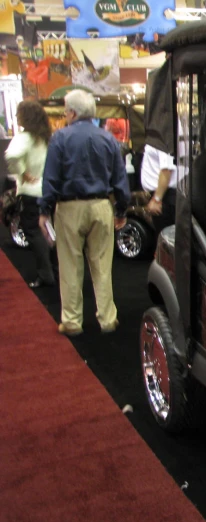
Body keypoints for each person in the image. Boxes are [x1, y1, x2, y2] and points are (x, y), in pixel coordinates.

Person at [39, 90, 130, 337]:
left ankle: (72, 321)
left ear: (72, 112)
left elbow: (51, 178)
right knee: (102, 265)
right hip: (101, 206)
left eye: (66, 110)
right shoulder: (108, 139)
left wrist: (44, 209)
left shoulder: (59, 139)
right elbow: (120, 179)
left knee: (70, 266)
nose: (65, 114)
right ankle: (108, 319)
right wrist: (121, 209)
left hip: (69, 208)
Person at [4, 100, 55, 289]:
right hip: (48, 191)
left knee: (34, 232)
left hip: (31, 192)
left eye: (18, 114)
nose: (16, 117)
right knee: (49, 230)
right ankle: (54, 269)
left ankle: (45, 274)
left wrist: (21, 171)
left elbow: (12, 156)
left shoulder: (24, 137)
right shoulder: (45, 137)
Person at [141, 144, 178, 234]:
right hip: (162, 195)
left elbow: (167, 170)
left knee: (167, 238)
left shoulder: (163, 140)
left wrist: (157, 199)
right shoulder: (156, 140)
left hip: (165, 197)